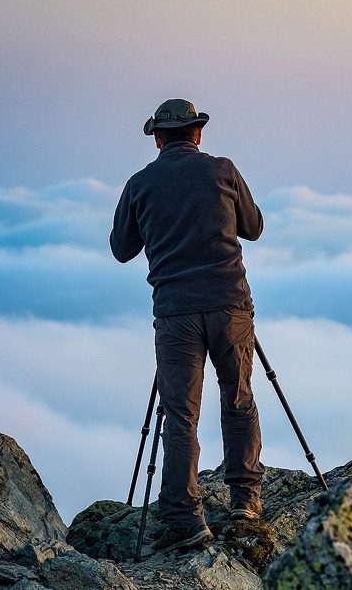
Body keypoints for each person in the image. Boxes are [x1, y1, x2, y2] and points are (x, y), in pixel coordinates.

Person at [111, 98, 265, 553]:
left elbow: (122, 248)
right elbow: (253, 227)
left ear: (157, 138)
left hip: (176, 312)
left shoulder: (140, 184)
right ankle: (245, 501)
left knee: (180, 415)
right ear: (197, 134)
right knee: (238, 399)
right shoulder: (223, 170)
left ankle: (183, 516)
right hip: (229, 305)